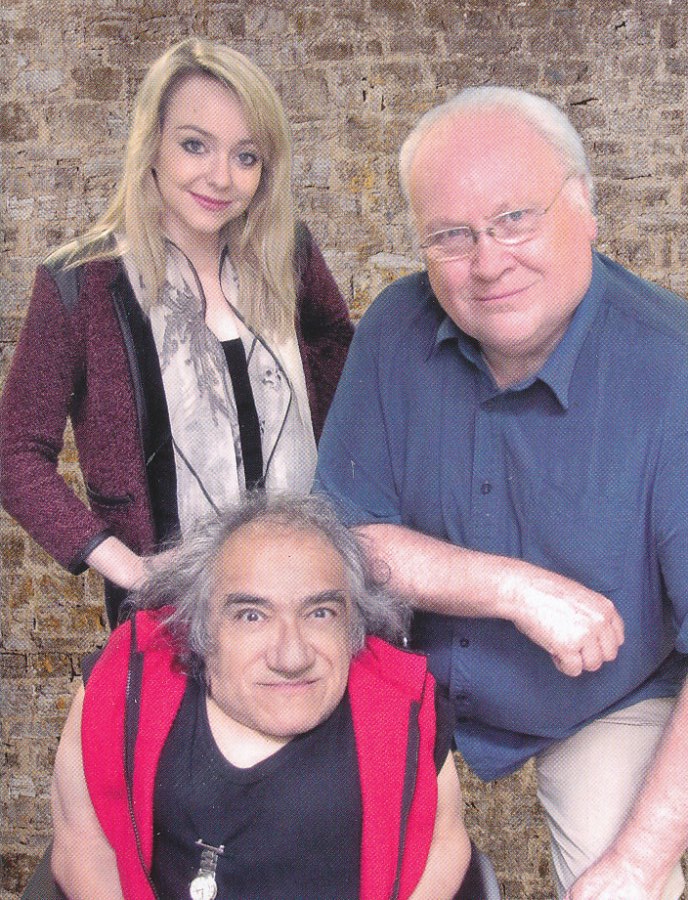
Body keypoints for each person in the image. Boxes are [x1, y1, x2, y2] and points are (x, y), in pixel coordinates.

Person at [315, 86, 688, 899]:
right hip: (403, 678)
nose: (487, 263)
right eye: (452, 235)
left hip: (609, 697)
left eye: (515, 219)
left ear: (585, 208)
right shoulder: (394, 328)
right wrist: (515, 589)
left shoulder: (676, 368)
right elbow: (342, 542)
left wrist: (633, 865)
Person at [0, 38, 353, 628]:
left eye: (246, 156)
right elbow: (14, 453)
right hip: (173, 617)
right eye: (195, 145)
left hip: (305, 599)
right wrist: (128, 567)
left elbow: (342, 359)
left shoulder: (288, 253)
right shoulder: (83, 282)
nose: (221, 178)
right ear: (152, 145)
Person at [49, 493, 473, 900]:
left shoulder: (404, 710)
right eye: (252, 616)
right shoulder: (121, 689)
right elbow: (82, 846)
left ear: (353, 624)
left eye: (320, 613)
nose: (292, 657)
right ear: (199, 627)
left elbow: (444, 846)